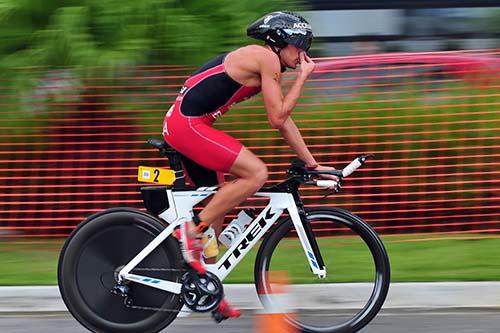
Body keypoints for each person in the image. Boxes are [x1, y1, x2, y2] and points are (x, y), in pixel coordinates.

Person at [162, 11, 336, 322]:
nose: (304, 54)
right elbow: (277, 118)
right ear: (280, 42)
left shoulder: (268, 64)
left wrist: (313, 164)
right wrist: (303, 78)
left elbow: (284, 122)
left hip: (188, 124)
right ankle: (191, 231)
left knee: (219, 210)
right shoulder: (265, 58)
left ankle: (208, 291)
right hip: (188, 126)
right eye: (300, 46)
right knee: (256, 174)